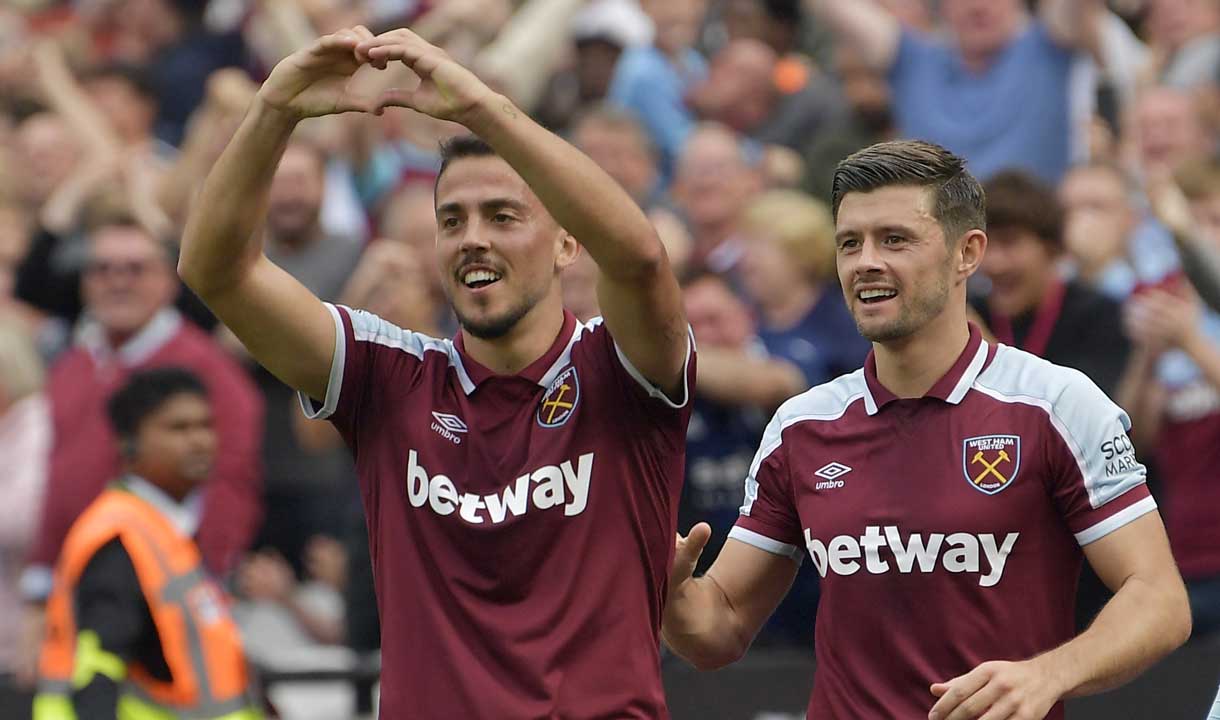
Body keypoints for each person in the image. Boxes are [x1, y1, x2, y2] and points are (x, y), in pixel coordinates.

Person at [178, 26, 693, 719]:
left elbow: (640, 260)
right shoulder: (386, 375)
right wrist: (274, 109)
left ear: (568, 241)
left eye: (503, 215)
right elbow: (216, 270)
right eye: (452, 220)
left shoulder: (623, 368)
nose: (473, 236)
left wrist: (481, 107)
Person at [663, 140, 1191, 720]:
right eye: (849, 243)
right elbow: (718, 631)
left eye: (895, 239)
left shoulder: (1055, 404)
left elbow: (1160, 601)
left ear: (968, 253)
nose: (866, 261)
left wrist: (1049, 674)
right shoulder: (800, 426)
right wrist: (668, 593)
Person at [20, 216, 264, 618]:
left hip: (166, 594)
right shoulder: (72, 366)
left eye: (136, 269)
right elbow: (57, 483)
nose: (118, 282)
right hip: (76, 589)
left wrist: (203, 579)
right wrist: (40, 587)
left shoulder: (210, 370)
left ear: (170, 281)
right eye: (102, 270)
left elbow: (232, 480)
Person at [34, 368, 260, 720]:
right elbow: (96, 671)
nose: (200, 440)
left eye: (206, 425)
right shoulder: (120, 537)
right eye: (178, 428)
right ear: (128, 443)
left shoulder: (166, 530)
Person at [972, 170, 1131, 398]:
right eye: (986, 245)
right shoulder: (969, 313)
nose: (995, 263)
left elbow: (1084, 411)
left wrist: (983, 349)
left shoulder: (1099, 316)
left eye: (1009, 242)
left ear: (1052, 248)